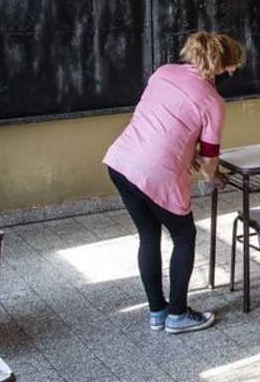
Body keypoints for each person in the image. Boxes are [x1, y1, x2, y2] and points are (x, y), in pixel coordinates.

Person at [104, 31, 247, 333]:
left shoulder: (163, 73)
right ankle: (178, 314)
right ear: (223, 64)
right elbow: (209, 162)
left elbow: (165, 122)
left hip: (121, 162)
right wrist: (215, 177)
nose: (234, 72)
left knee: (148, 236)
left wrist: (188, 150)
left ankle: (158, 312)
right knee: (184, 236)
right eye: (234, 66)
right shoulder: (213, 102)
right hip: (156, 173)